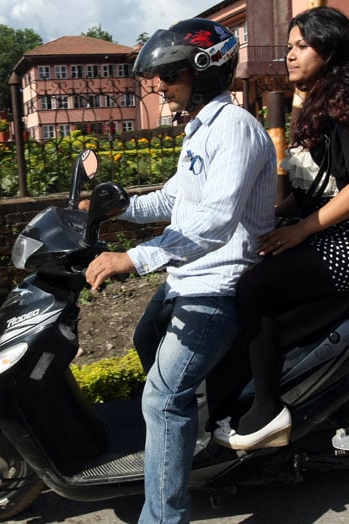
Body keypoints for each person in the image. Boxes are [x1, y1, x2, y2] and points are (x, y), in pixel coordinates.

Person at [82, 18, 276, 524]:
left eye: (169, 76)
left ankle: (163, 517)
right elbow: (175, 199)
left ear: (205, 71)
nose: (160, 87)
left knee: (163, 398)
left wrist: (133, 258)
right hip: (186, 277)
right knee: (147, 341)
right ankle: (187, 443)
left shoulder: (235, 130)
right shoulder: (201, 130)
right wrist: (115, 207)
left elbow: (213, 223)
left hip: (217, 283)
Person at [212, 6, 349, 451]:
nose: (290, 56)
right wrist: (271, 217)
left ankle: (268, 410)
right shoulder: (324, 101)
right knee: (250, 273)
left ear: (329, 50)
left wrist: (301, 231)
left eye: (301, 46)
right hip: (334, 233)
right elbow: (319, 188)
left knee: (254, 288)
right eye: (288, 48)